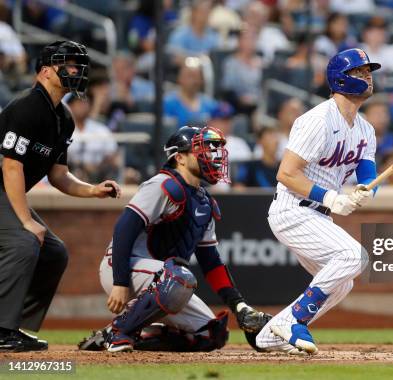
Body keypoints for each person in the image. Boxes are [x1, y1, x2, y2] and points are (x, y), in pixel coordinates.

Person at [78, 126, 270, 352]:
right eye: (202, 150)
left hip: (166, 281)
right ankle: (121, 331)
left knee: (213, 334)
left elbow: (212, 263)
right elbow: (123, 229)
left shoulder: (205, 202)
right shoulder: (162, 184)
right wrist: (120, 283)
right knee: (181, 278)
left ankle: (119, 334)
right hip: (123, 268)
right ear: (179, 157)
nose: (211, 157)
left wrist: (238, 305)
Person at [255, 48, 378, 354]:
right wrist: (332, 198)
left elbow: (367, 176)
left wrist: (365, 191)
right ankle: (296, 319)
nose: (367, 76)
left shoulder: (366, 130)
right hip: (292, 209)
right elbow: (286, 173)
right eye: (359, 71)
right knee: (354, 257)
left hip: (319, 215)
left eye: (368, 71)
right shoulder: (317, 119)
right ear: (340, 79)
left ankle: (270, 335)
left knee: (344, 282)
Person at [0, 40, 121, 352]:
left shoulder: (63, 117)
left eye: (77, 64)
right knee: (26, 240)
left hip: (5, 191)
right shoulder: (26, 107)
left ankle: (13, 324)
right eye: (66, 63)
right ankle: (2, 329)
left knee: (55, 253)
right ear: (44, 71)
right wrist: (26, 221)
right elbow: (11, 166)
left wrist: (92, 190)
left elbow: (58, 175)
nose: (75, 70)